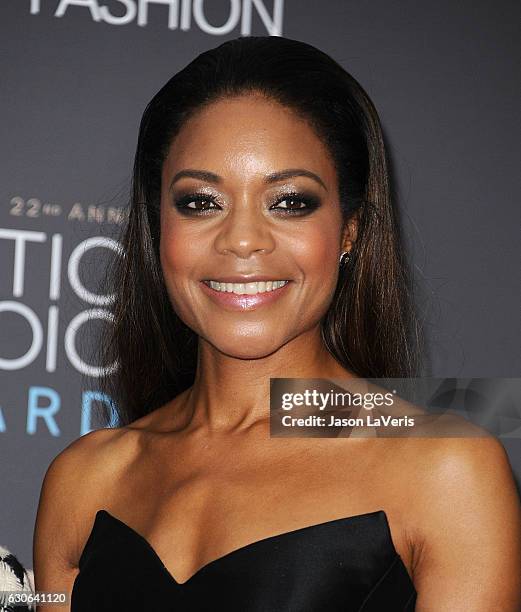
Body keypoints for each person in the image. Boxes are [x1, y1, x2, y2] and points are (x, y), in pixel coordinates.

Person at [33, 35, 521, 611]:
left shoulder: (446, 469)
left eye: (290, 202)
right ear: (155, 225)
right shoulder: (85, 480)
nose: (241, 240)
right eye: (200, 202)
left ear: (350, 231)